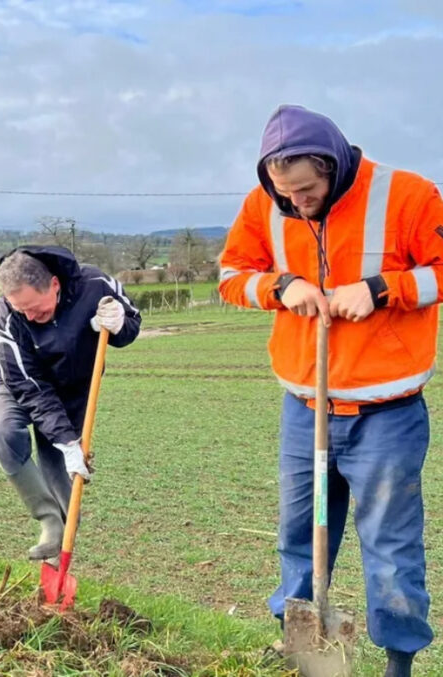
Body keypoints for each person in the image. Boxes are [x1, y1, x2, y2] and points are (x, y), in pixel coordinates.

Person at [219, 104, 442, 676]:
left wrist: (382, 289)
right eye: (284, 192)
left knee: (390, 545)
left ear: (332, 165)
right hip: (305, 409)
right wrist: (281, 286)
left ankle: (399, 660)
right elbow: (231, 276)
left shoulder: (408, 196)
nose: (296, 202)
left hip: (386, 415)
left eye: (306, 189)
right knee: (299, 532)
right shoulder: (263, 205)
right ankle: (297, 639)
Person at [0, 245, 141, 561]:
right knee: (2, 434)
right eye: (21, 310)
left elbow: (130, 325)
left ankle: (60, 556)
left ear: (54, 285)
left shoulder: (96, 286)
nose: (30, 317)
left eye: (36, 309)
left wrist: (119, 324)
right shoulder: (5, 314)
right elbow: (27, 385)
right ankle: (49, 520)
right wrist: (67, 440)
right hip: (22, 384)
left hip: (74, 387)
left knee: (58, 469)